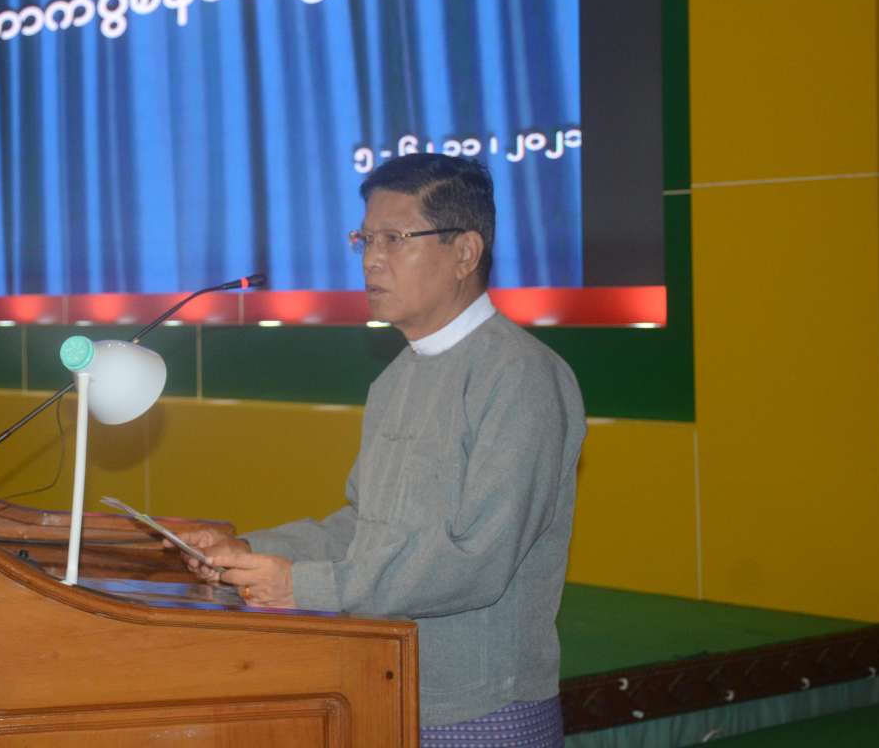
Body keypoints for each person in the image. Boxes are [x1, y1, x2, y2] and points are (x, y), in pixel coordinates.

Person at [173, 153, 585, 747]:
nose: (371, 259)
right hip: (381, 686)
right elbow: (363, 528)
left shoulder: (519, 376)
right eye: (365, 239)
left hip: (481, 711)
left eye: (395, 238)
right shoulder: (395, 379)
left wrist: (304, 587)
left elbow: (476, 561)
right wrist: (248, 552)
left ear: (465, 253)